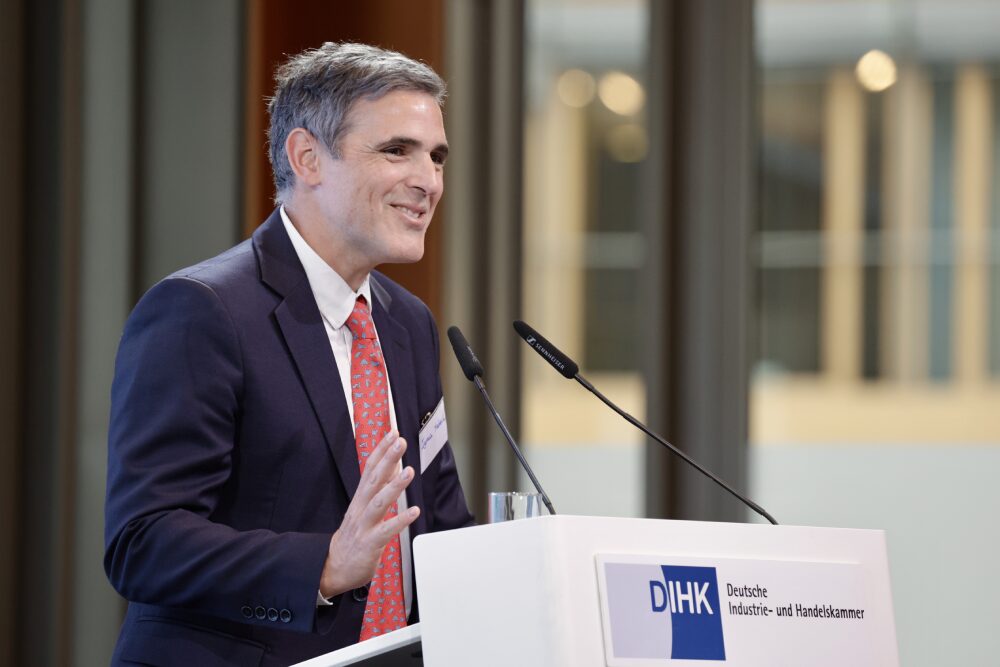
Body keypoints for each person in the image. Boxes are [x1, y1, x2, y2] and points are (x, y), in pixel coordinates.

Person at [104, 42, 474, 667]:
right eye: (397, 150)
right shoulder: (202, 310)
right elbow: (143, 541)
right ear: (308, 157)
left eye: (436, 156)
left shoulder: (407, 322)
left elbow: (436, 523)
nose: (429, 181)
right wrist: (324, 565)